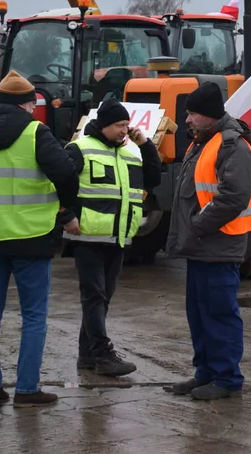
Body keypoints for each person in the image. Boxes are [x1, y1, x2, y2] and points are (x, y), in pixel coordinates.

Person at [0, 70, 79, 408]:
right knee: (33, 315)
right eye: (32, 105)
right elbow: (65, 172)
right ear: (25, 104)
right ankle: (26, 389)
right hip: (31, 236)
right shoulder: (35, 132)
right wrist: (65, 206)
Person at [165, 81, 251, 401]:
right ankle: (206, 372)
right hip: (201, 246)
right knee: (199, 313)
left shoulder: (232, 145)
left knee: (219, 313)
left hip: (218, 244)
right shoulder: (203, 141)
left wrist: (198, 226)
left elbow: (233, 197)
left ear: (209, 115)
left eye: (192, 113)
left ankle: (227, 378)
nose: (186, 119)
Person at [62, 98, 161, 376]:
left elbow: (153, 178)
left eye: (126, 125)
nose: (124, 130)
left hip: (118, 238)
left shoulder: (130, 151)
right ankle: (104, 355)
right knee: (94, 295)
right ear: (103, 125)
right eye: (119, 125)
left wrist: (146, 144)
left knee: (102, 298)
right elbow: (59, 182)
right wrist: (66, 216)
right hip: (87, 237)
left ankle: (87, 355)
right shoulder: (79, 149)